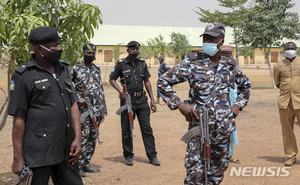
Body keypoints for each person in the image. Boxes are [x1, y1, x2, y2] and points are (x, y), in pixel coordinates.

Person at [157, 23, 251, 184]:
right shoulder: (192, 62)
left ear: (221, 41)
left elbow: (245, 85)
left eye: (212, 38)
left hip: (223, 127)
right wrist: (180, 104)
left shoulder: (229, 65)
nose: (208, 41)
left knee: (217, 171)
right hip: (198, 126)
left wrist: (237, 105)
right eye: (206, 38)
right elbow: (163, 81)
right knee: (196, 174)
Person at [8, 27, 83, 185]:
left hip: (66, 150)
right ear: (38, 49)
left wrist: (77, 138)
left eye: (59, 44)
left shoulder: (63, 69)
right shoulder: (23, 75)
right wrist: (18, 157)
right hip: (39, 153)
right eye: (54, 46)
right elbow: (19, 118)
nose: (59, 48)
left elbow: (73, 104)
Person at [109, 41, 160, 166]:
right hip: (127, 100)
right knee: (127, 129)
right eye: (132, 48)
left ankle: (152, 156)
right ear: (128, 50)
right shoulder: (121, 64)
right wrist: (120, 91)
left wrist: (152, 100)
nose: (135, 50)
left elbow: (147, 81)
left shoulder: (142, 63)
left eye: (137, 48)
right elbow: (111, 79)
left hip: (142, 100)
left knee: (147, 129)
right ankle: (128, 156)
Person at [71, 43, 107, 176]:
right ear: (83, 52)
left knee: (93, 137)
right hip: (82, 111)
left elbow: (100, 90)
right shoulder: (75, 68)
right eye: (88, 53)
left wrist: (103, 110)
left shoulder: (96, 69)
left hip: (96, 110)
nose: (91, 55)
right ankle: (77, 166)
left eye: (93, 53)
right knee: (83, 137)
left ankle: (86, 164)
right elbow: (67, 87)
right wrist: (76, 99)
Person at [273, 42, 300, 166]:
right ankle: (291, 156)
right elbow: (277, 83)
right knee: (287, 131)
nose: (290, 50)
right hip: (285, 103)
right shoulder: (278, 65)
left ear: (296, 50)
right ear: (284, 51)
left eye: (292, 48)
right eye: (288, 49)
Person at [220, 45, 240, 164]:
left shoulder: (233, 64)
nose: (227, 56)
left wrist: (236, 104)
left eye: (229, 53)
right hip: (219, 103)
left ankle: (230, 155)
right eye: (224, 53)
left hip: (231, 101)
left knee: (230, 129)